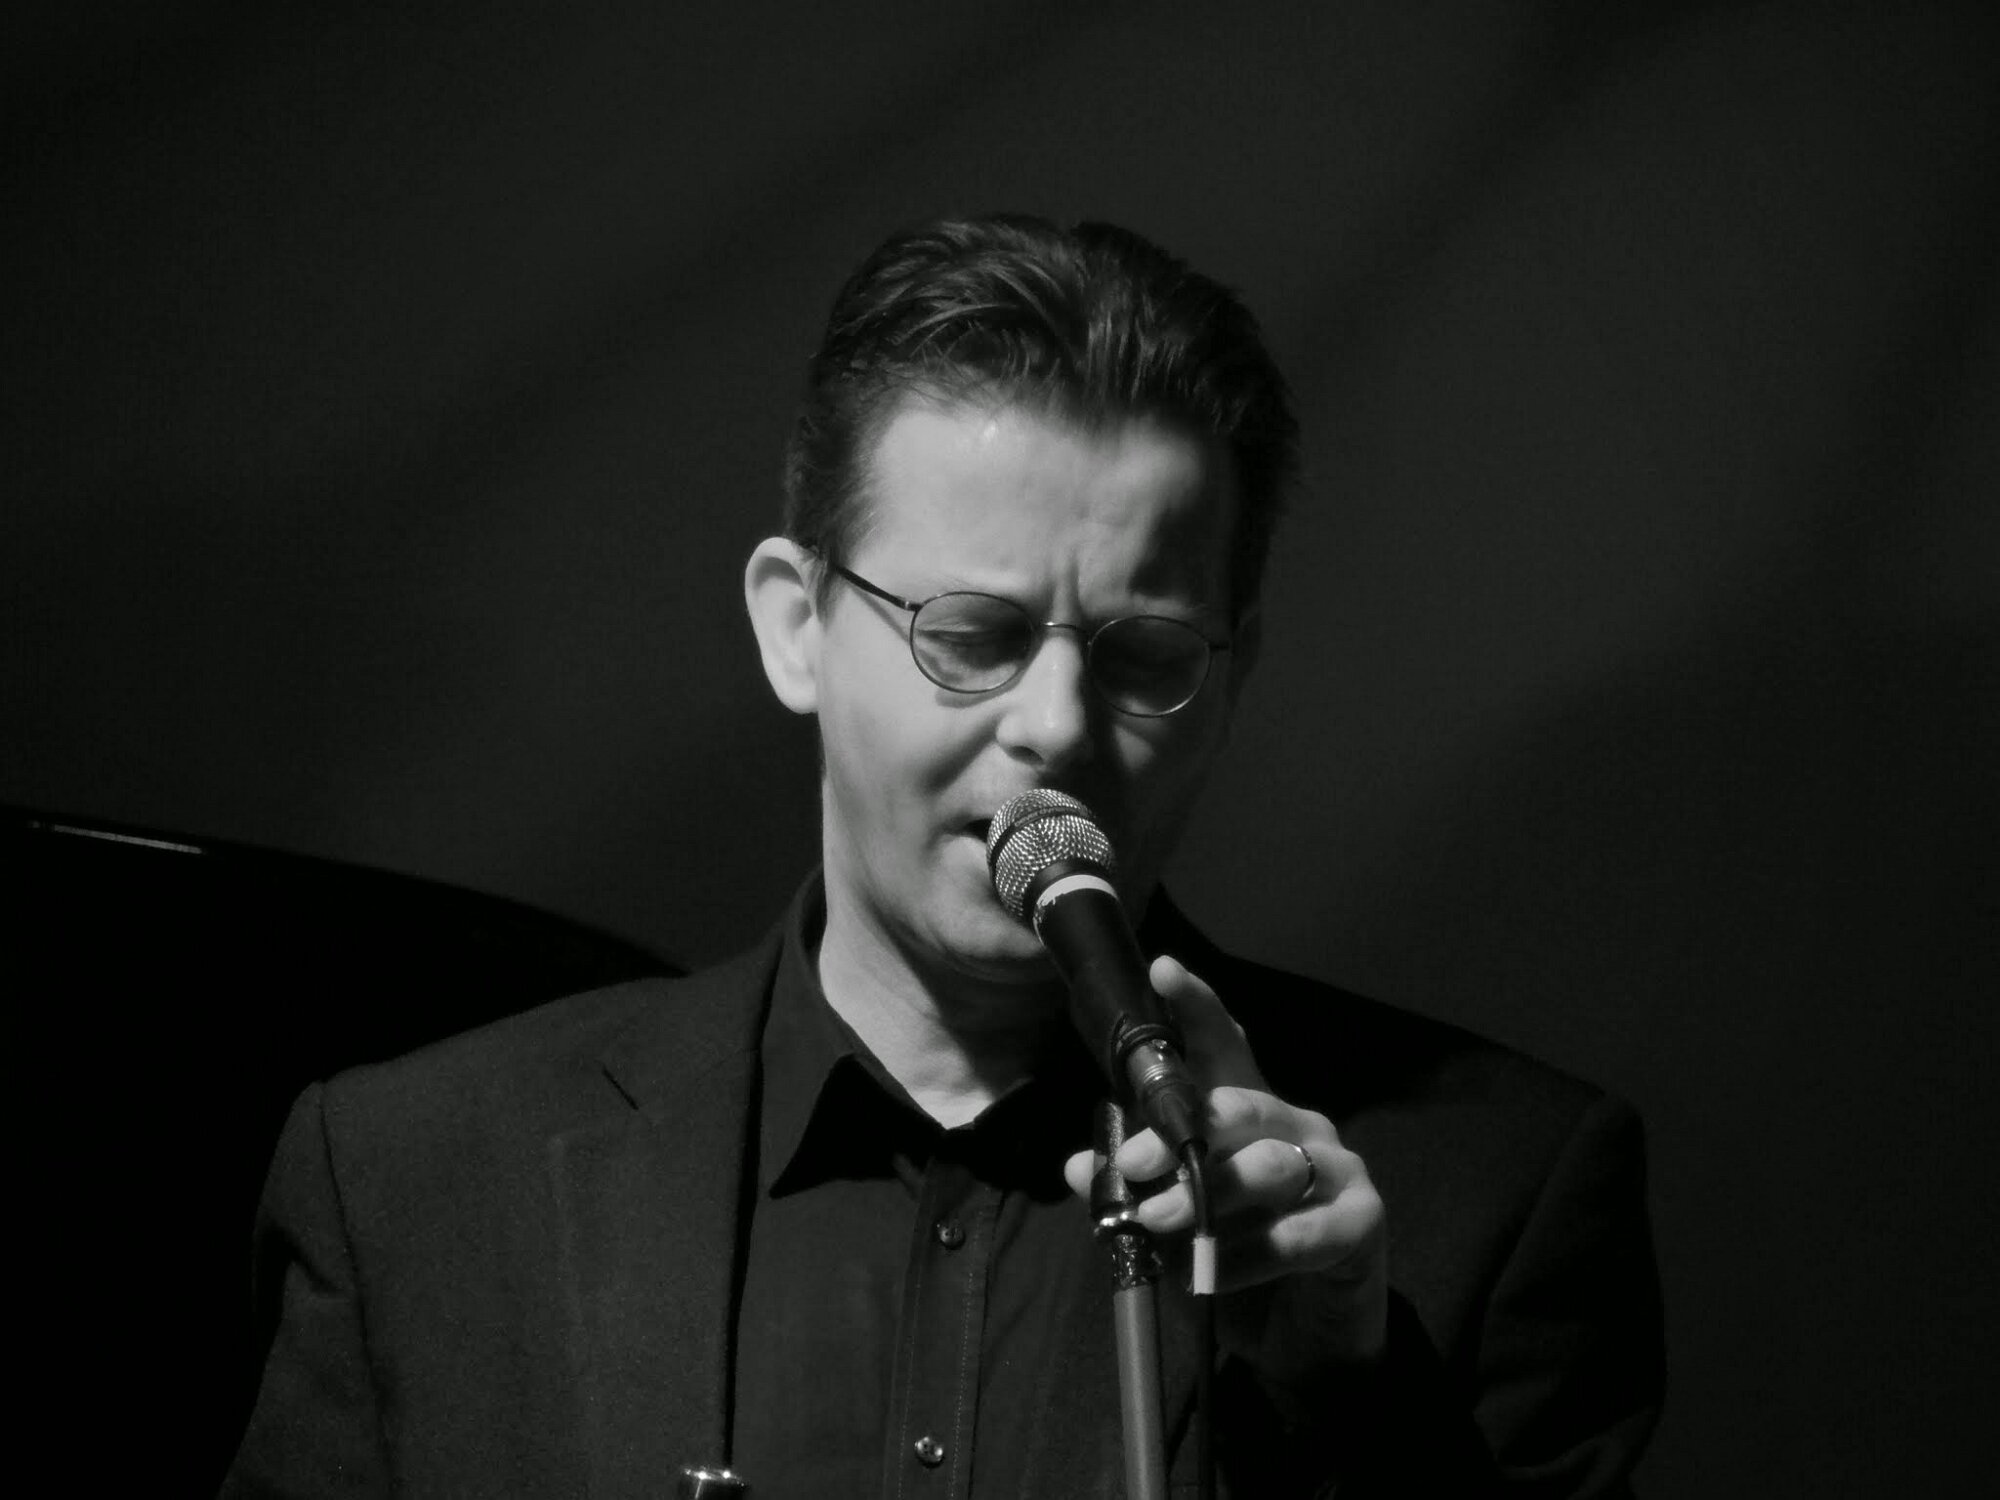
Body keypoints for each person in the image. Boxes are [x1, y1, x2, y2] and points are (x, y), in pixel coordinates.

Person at [222, 214, 1663, 1498]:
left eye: (1145, 655)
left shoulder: (1495, 1201)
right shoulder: (414, 1179)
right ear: (797, 628)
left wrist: (1343, 1402)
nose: (1058, 725)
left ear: (1232, 681)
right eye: (972, 635)